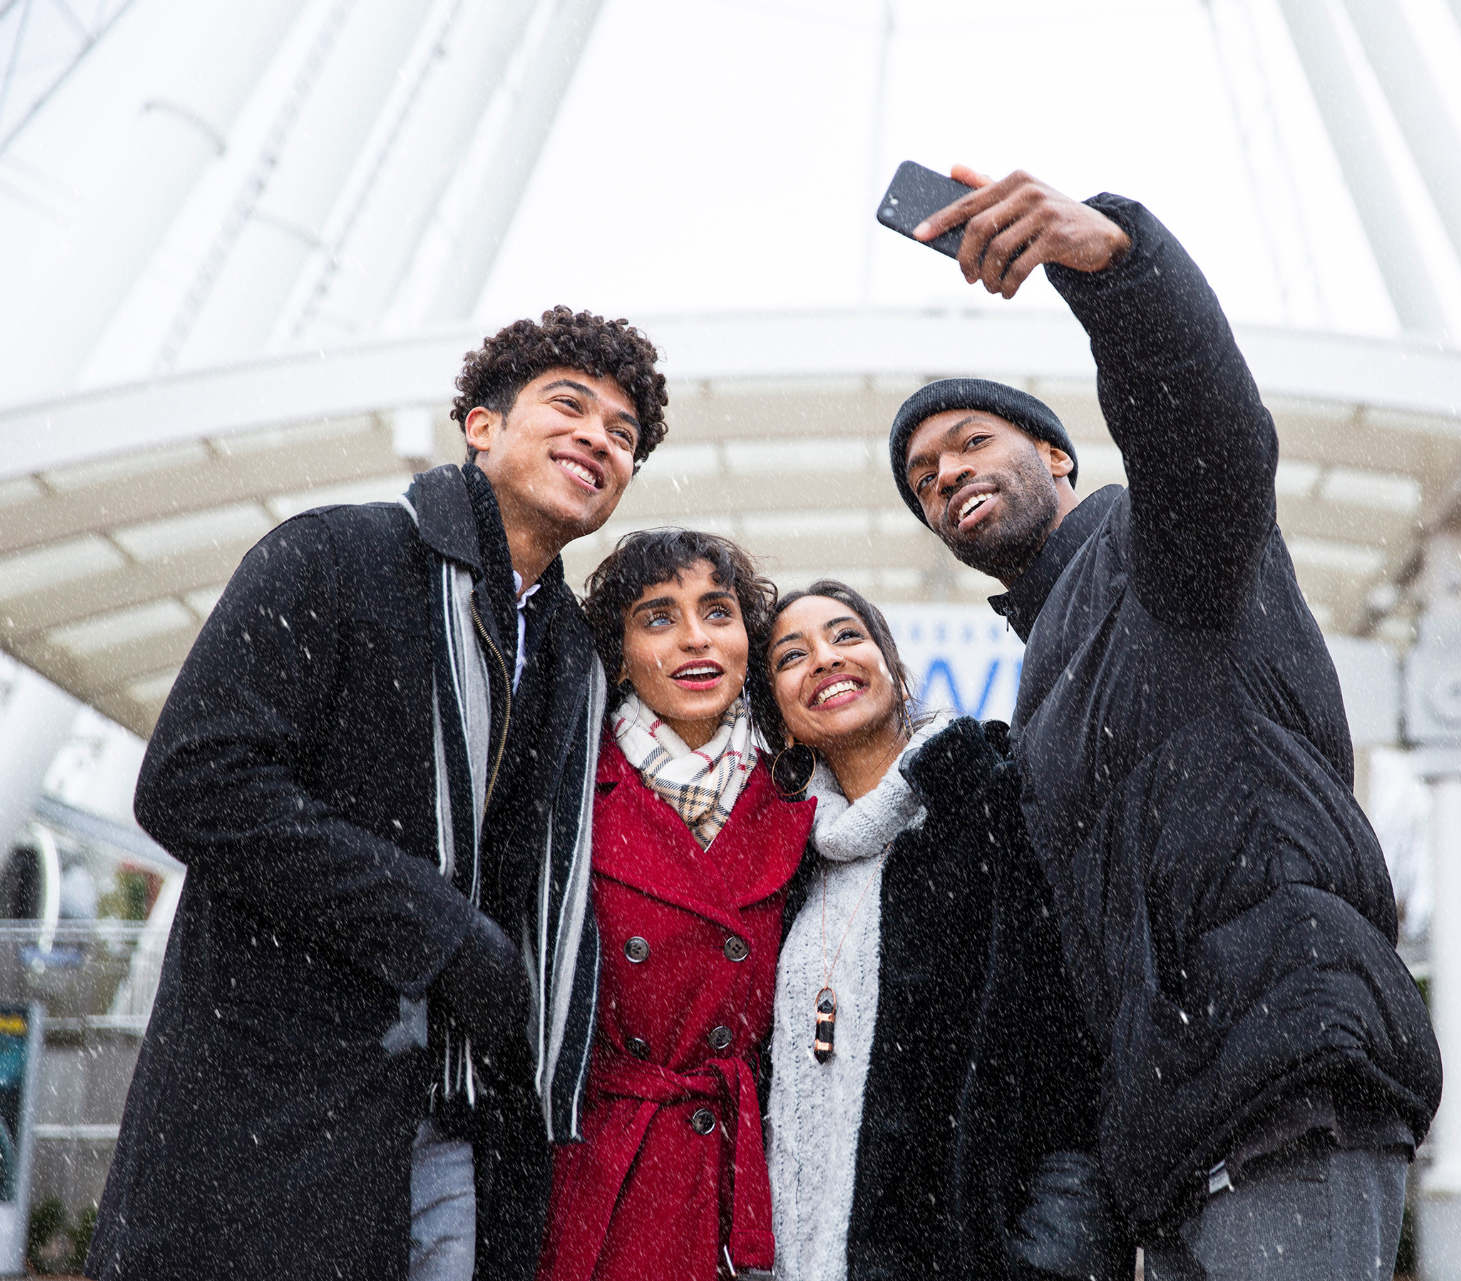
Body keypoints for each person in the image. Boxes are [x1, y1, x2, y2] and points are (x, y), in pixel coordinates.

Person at [886, 168, 1443, 1280]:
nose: (946, 475)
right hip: (1186, 1135)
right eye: (922, 477)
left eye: (967, 442)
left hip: (1283, 1081)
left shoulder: (1157, 550)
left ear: (1056, 455)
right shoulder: (1052, 665)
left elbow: (1211, 435)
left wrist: (1120, 266)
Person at [89, 307, 668, 1281]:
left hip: (465, 1127)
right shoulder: (336, 558)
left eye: (623, 435)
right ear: (481, 425)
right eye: (569, 406)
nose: (597, 439)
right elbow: (194, 783)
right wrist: (440, 931)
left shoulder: (575, 657)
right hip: (271, 1107)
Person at [756, 579, 1130, 1281]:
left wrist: (1046, 1256)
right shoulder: (780, 865)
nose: (826, 659)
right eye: (791, 655)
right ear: (778, 716)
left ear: (894, 669)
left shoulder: (992, 807)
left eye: (846, 635)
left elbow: (1070, 1054)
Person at [536, 529, 814, 1281]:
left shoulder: (801, 792)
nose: (697, 638)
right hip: (608, 1173)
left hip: (754, 1182)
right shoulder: (568, 794)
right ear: (619, 654)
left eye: (717, 612)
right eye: (659, 616)